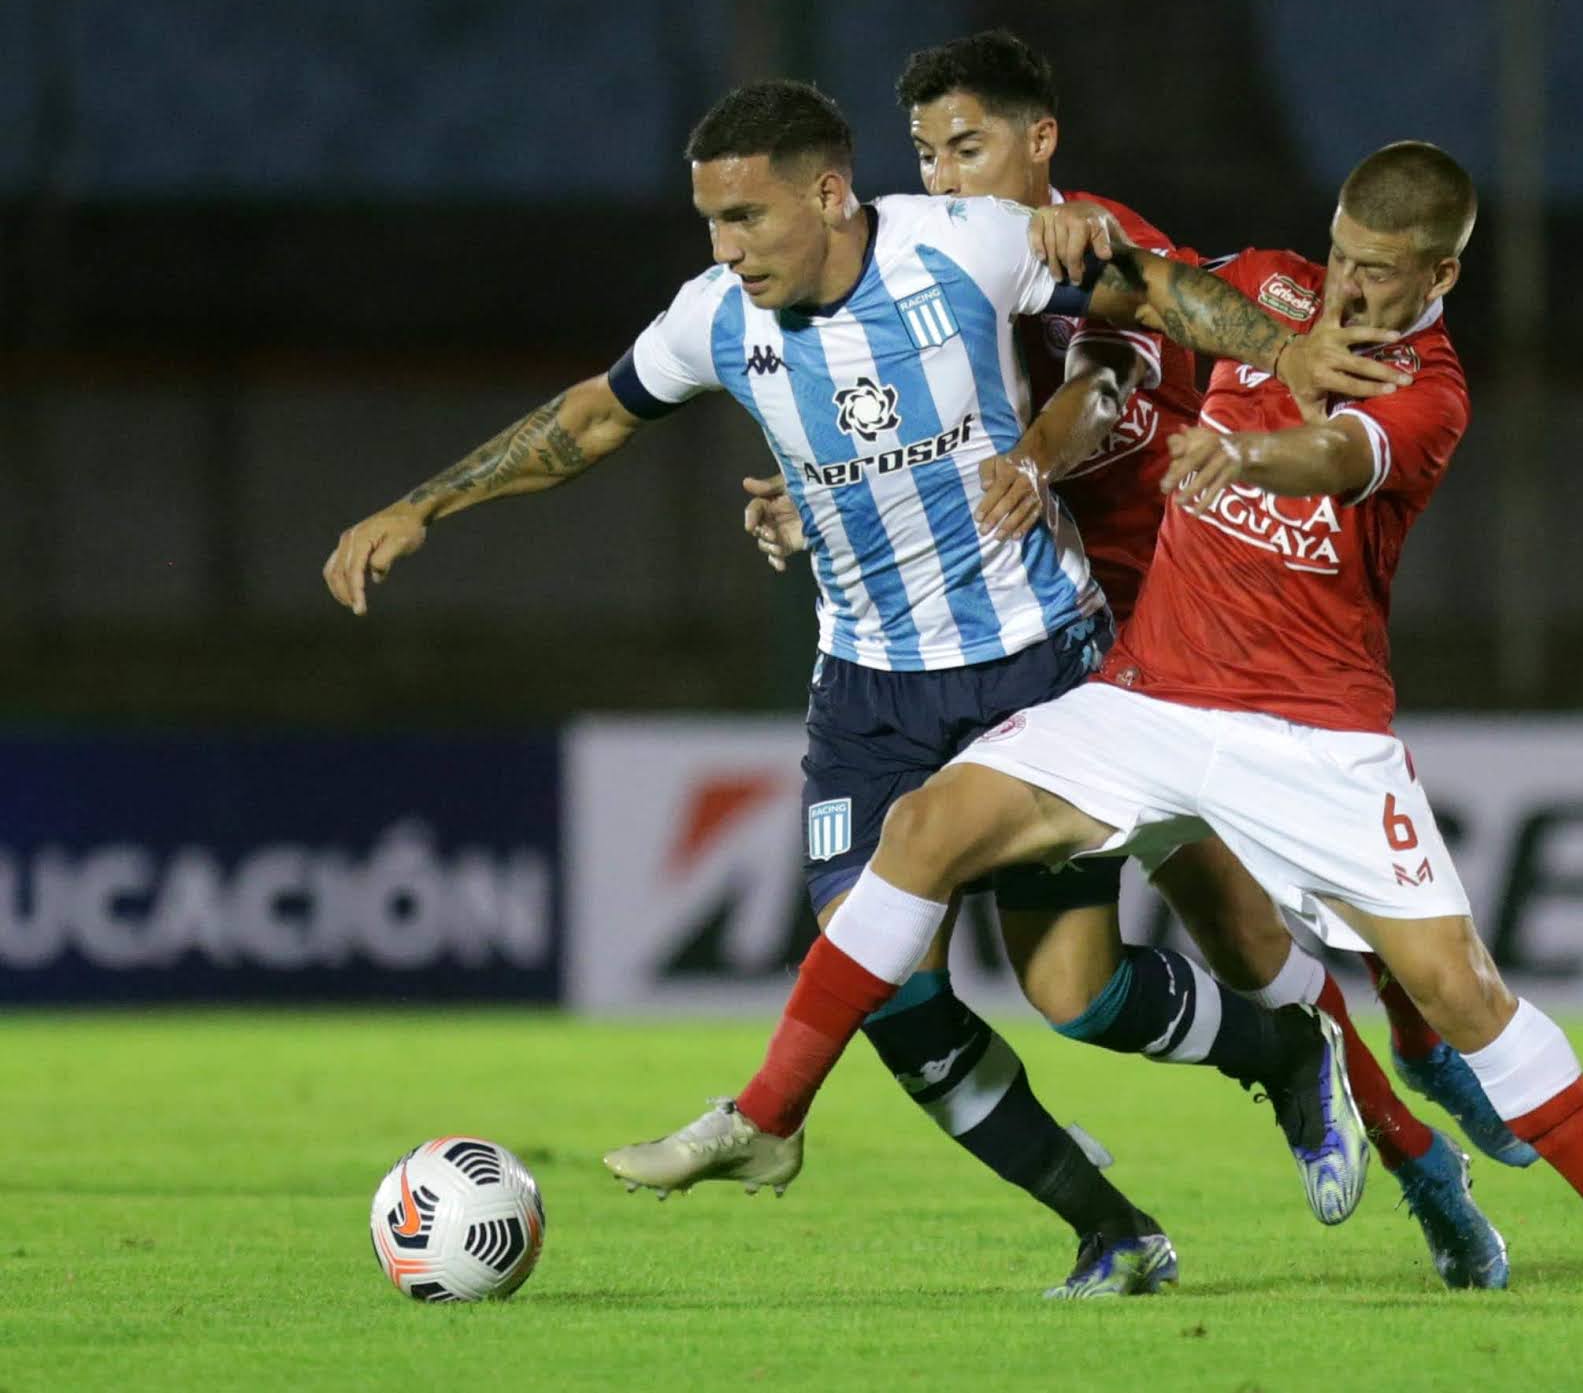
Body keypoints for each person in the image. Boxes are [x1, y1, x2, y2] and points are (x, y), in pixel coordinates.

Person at [321, 78, 1393, 1298]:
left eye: (747, 219)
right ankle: (1113, 1233)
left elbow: (1145, 289)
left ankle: (1280, 1053)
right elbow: (591, 417)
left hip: (1030, 665)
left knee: (1074, 995)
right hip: (868, 696)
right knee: (881, 986)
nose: (727, 250)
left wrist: (1286, 347)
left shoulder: (959, 248)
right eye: (709, 225)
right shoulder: (714, 318)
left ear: (829, 193)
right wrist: (426, 502)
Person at [656, 140, 1583, 1305]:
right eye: (1340, 256)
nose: (1348, 290)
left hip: (1310, 733)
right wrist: (1064, 229)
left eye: (1379, 273)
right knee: (918, 833)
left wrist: (1244, 454)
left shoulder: (1429, 396)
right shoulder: (1266, 289)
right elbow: (1133, 286)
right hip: (1147, 697)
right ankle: (766, 1112)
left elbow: (1336, 453)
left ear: (1440, 281)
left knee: (1457, 988)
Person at [740, 31, 1522, 1290]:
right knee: (1136, 962)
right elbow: (889, 444)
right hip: (1051, 649)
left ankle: (1417, 1116)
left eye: (969, 146)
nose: (943, 176)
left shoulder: (1093, 243)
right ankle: (1370, 1147)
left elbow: (1108, 375)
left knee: (1301, 928)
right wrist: (803, 502)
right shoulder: (915, 267)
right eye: (927, 153)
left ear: (1038, 142)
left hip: (1186, 621)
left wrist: (1042, 452)